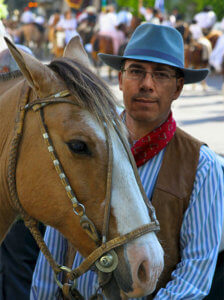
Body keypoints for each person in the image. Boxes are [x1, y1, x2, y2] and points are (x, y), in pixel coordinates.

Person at [31, 23, 224, 299]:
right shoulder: (84, 145)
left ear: (178, 88)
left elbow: (194, 276)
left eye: (160, 74)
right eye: (136, 71)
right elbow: (55, 248)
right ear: (120, 79)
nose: (146, 84)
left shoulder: (202, 166)